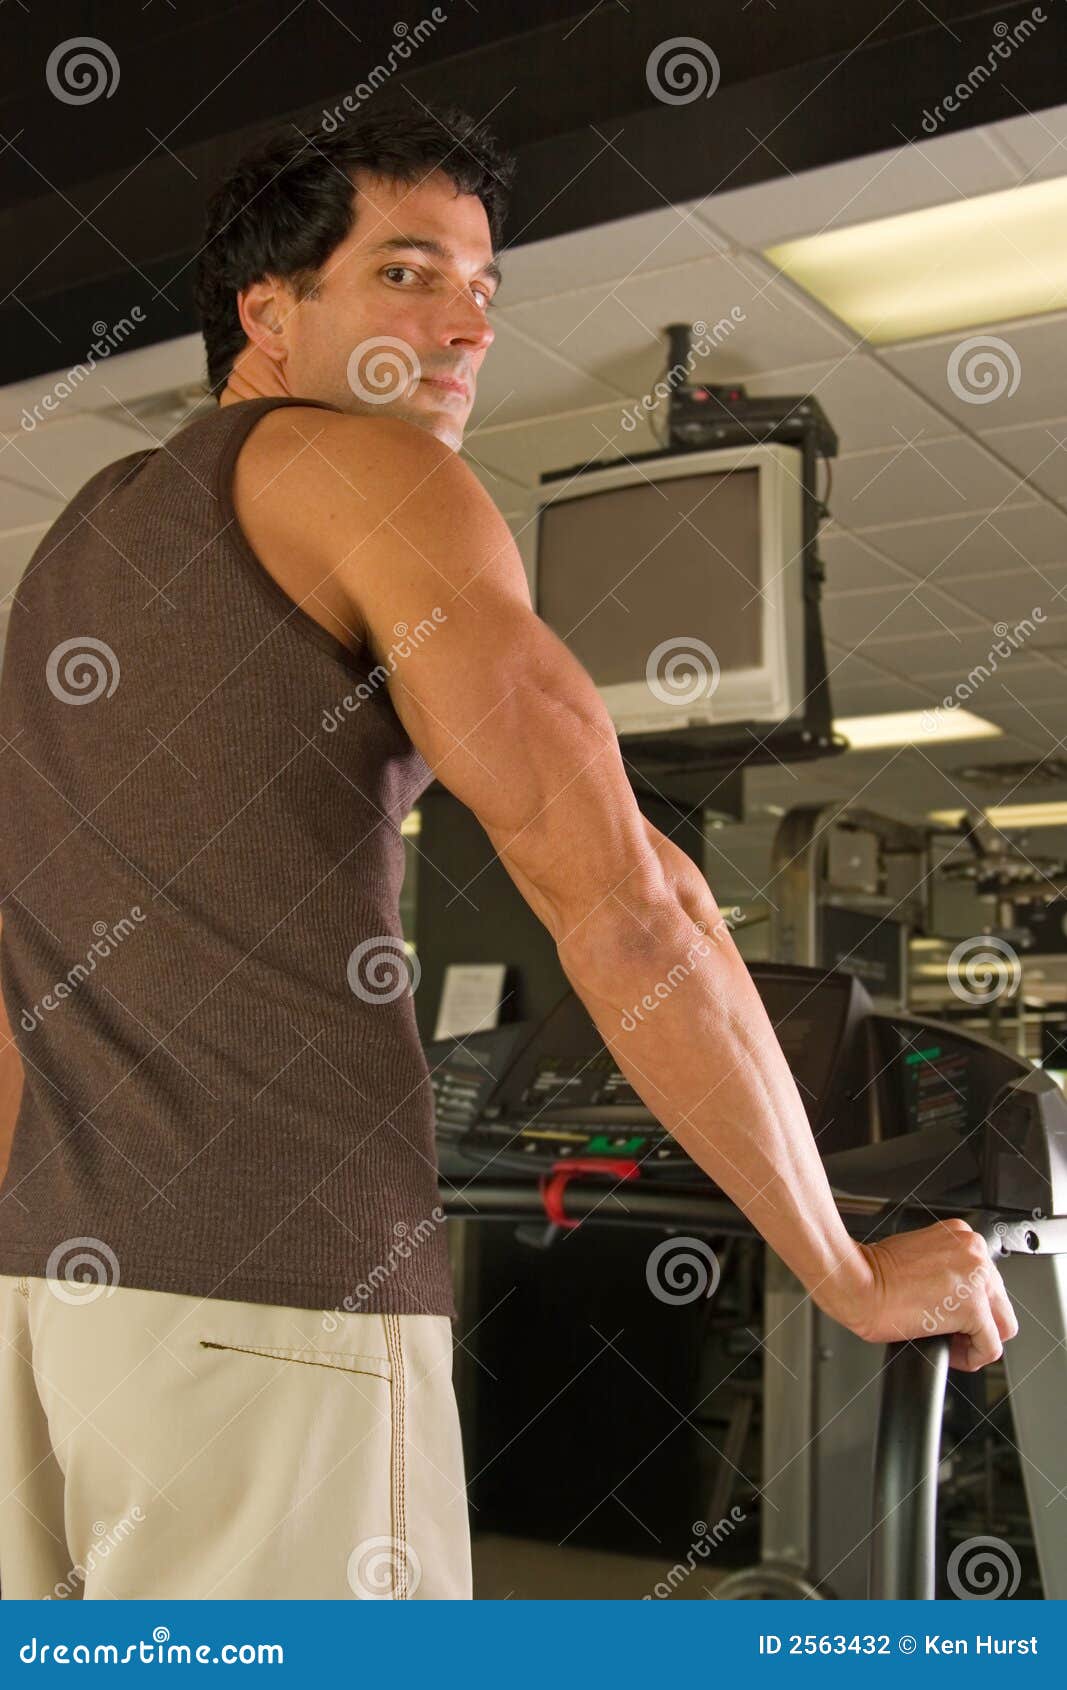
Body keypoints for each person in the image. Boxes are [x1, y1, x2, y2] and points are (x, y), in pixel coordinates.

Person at [0, 100, 1016, 1602]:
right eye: (407, 274)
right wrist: (844, 1265)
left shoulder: (77, 546)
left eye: (483, 285)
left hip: (50, 1309)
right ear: (267, 311)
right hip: (276, 1302)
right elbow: (626, 901)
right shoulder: (378, 473)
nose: (469, 325)